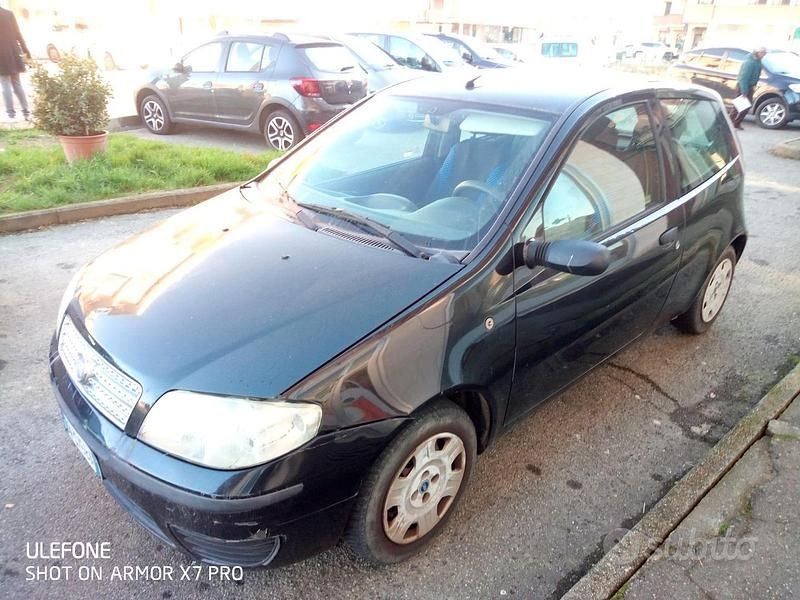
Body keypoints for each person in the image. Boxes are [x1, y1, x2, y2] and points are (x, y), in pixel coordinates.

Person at [0, 3, 32, 122]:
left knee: (5, 84)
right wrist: (26, 51)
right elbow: (18, 34)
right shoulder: (9, 14)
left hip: (1, 55)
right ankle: (26, 112)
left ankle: (11, 114)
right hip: (13, 52)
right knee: (17, 83)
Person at [733, 46, 767, 130]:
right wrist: (744, 91)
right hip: (744, 86)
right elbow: (743, 78)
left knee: (743, 106)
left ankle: (735, 123)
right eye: (763, 53)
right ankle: (733, 123)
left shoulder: (757, 61)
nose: (764, 55)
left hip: (749, 86)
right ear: (758, 52)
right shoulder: (749, 62)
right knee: (740, 106)